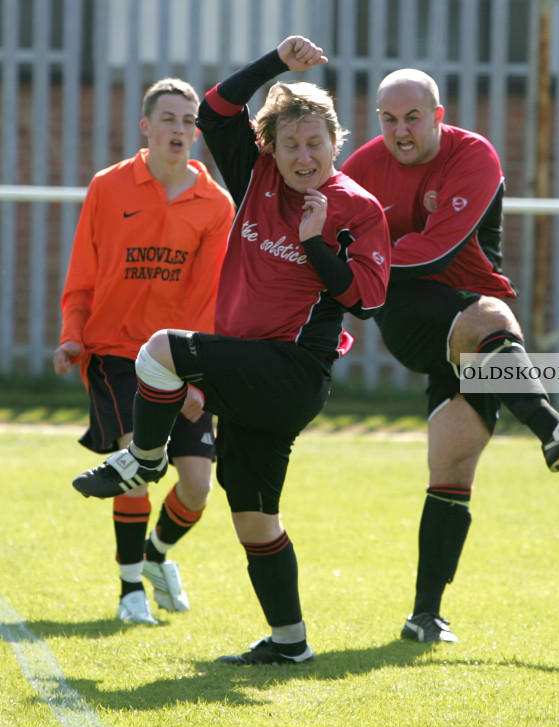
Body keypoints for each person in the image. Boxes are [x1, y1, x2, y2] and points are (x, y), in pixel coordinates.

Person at [72, 36, 391, 665]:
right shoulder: (257, 172)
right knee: (253, 518)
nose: (304, 156)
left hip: (294, 372)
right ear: (272, 147)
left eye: (315, 143)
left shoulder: (357, 207)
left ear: (337, 142)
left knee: (160, 348)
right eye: (291, 144)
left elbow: (370, 300)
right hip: (253, 377)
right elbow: (217, 110)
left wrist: (316, 245)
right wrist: (276, 62)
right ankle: (290, 643)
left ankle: (140, 460)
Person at [341, 69, 559, 644]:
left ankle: (424, 615)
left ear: (438, 114)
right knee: (492, 318)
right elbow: (336, 240)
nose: (401, 130)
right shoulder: (362, 168)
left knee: (453, 462)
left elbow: (440, 246)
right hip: (413, 314)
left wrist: (368, 262)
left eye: (413, 117)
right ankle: (553, 427)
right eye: (389, 119)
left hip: (470, 323)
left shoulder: (474, 155)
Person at [54, 78, 234, 625]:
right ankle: (130, 589)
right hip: (116, 352)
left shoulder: (215, 204)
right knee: (138, 462)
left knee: (198, 487)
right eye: (170, 119)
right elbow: (84, 268)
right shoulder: (108, 187)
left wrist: (200, 378)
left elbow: (210, 297)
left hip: (182, 357)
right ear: (146, 127)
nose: (180, 130)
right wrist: (72, 332)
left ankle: (155, 558)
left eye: (189, 121)